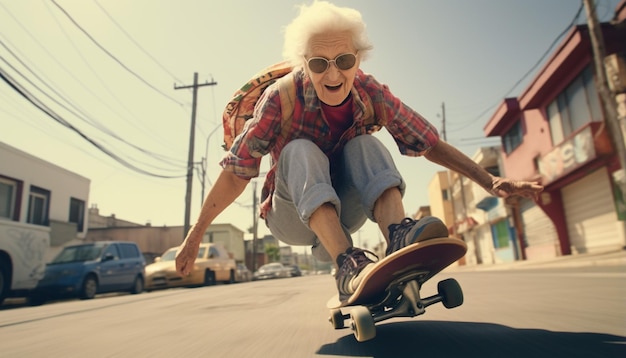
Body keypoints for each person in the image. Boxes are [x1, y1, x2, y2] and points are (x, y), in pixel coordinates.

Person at [176, 1, 543, 302]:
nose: (333, 75)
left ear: (359, 59)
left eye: (344, 61)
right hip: (289, 215)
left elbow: (428, 142)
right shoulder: (281, 98)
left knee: (365, 142)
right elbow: (236, 172)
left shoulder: (371, 94)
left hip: (347, 210)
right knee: (301, 149)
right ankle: (347, 264)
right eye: (319, 64)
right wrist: (194, 237)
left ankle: (398, 234)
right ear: (305, 64)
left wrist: (491, 180)